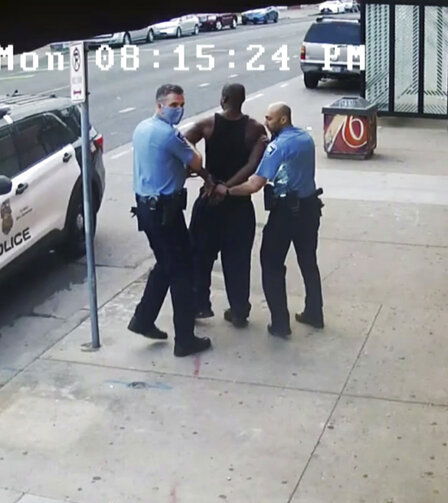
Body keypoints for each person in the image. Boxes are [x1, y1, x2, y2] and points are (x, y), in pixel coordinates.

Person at [210, 102, 323, 338]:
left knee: (271, 264)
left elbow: (255, 184)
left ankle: (280, 323)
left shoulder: (278, 147)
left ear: (282, 120)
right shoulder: (304, 139)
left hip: (285, 213)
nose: (266, 122)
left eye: (269, 119)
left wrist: (227, 190)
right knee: (308, 261)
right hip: (310, 209)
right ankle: (314, 312)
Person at [127, 84, 216, 357]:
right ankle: (185, 339)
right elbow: (197, 161)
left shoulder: (142, 128)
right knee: (182, 272)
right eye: (173, 105)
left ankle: (143, 319)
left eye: (181, 105)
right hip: (166, 213)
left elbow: (163, 163)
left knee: (165, 265)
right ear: (159, 106)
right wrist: (186, 143)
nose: (178, 109)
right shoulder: (168, 135)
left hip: (147, 209)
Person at [183, 83, 268, 328]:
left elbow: (184, 146)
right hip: (239, 203)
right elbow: (252, 165)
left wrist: (208, 178)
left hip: (209, 201)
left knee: (200, 256)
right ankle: (239, 310)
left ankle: (200, 305)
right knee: (238, 261)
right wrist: (228, 188)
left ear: (223, 99)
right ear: (242, 100)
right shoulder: (254, 129)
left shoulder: (207, 125)